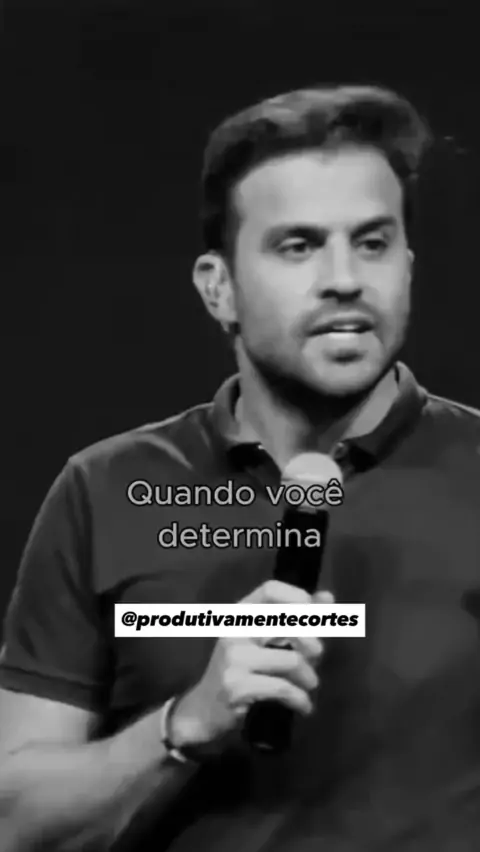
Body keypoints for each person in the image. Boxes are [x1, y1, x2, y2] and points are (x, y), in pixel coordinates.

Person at [1, 82, 480, 852]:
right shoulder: (104, 490)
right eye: (299, 246)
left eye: (372, 242)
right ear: (218, 288)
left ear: (409, 266)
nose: (346, 279)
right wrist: (183, 726)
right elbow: (14, 823)